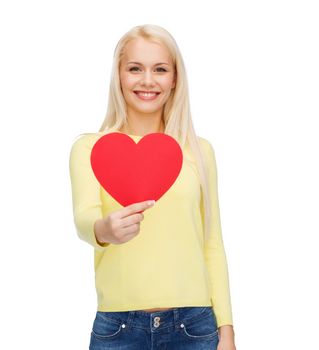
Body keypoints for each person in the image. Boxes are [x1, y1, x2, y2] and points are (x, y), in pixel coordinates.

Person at [69, 24, 236, 350]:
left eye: (160, 69)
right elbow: (84, 219)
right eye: (135, 69)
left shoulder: (199, 152)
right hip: (117, 328)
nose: (147, 80)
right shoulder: (90, 148)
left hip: (195, 327)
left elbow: (212, 243)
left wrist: (226, 330)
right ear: (119, 75)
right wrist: (105, 229)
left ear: (174, 79)